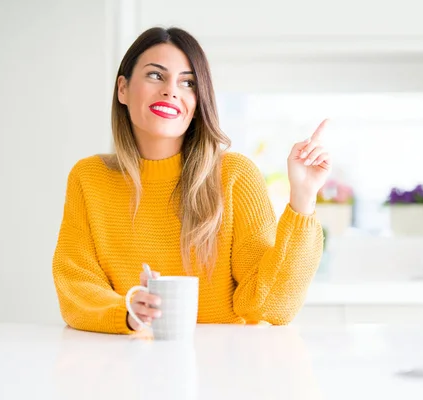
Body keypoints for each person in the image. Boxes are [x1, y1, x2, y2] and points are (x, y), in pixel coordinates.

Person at [52, 27, 331, 334]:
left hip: (225, 370)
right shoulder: (89, 178)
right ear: (123, 89)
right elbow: (76, 285)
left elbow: (271, 307)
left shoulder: (234, 176)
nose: (171, 90)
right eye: (156, 76)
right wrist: (130, 312)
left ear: (198, 102)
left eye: (188, 83)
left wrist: (303, 198)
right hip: (126, 364)